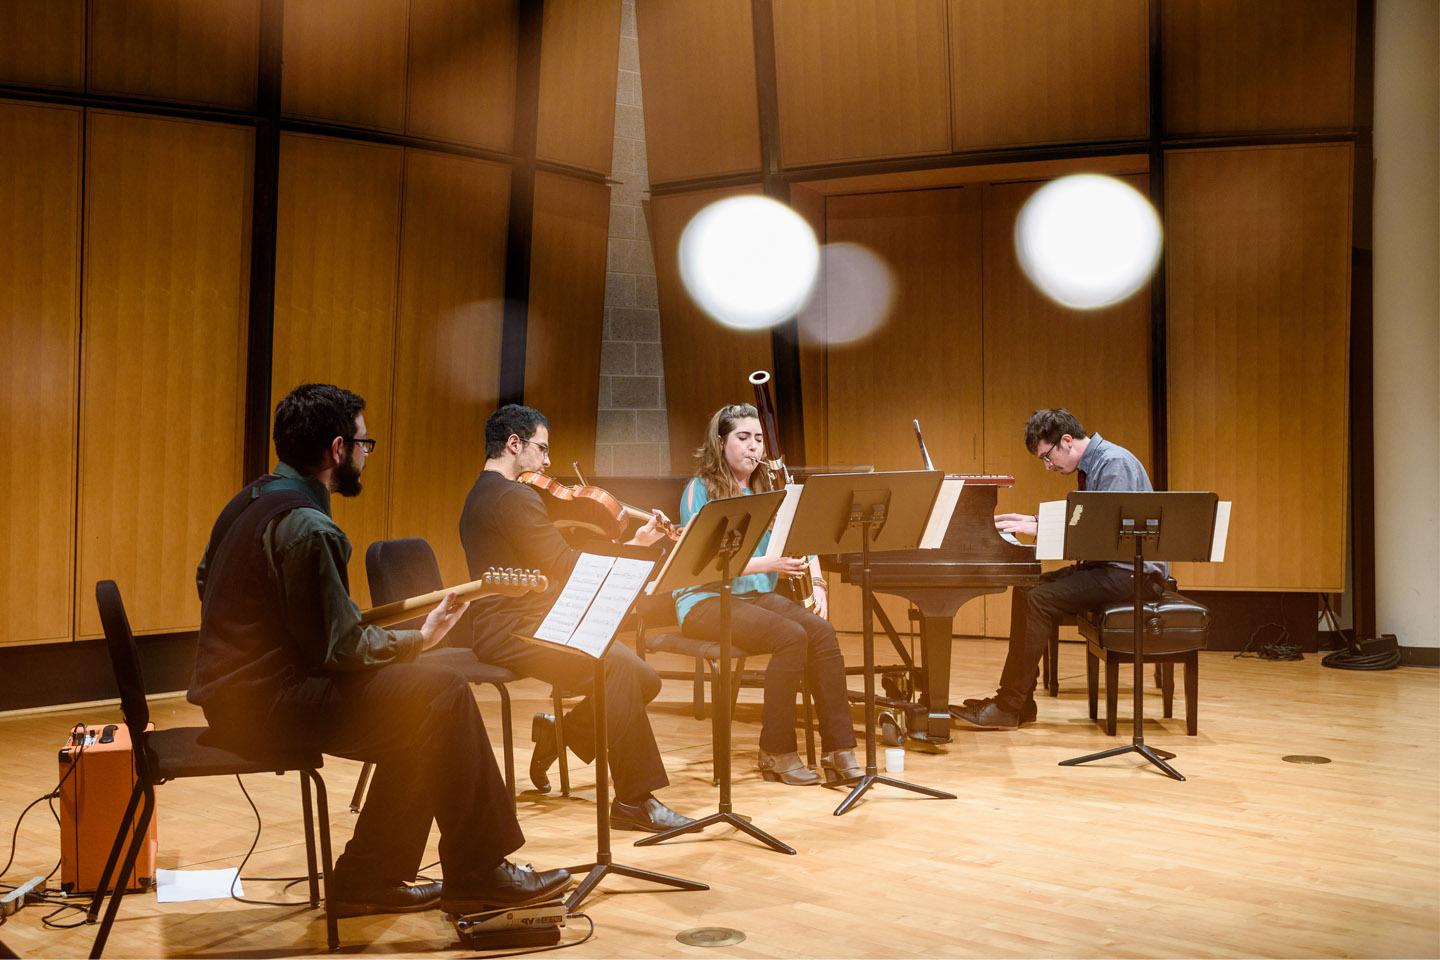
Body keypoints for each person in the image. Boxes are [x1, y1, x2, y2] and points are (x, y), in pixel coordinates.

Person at [189, 384, 569, 918]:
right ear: (338, 450)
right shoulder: (310, 526)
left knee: (421, 710)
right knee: (444, 692)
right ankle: (479, 870)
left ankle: (371, 878)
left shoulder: (249, 500)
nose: (367, 456)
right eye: (365, 445)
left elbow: (208, 581)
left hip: (233, 696)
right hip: (265, 705)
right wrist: (422, 638)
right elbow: (342, 647)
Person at [458, 404, 696, 834]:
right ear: (514, 444)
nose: (548, 463)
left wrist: (630, 544)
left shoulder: (482, 492)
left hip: (527, 618)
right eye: (542, 449)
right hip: (512, 629)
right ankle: (633, 801)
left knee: (645, 678)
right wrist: (637, 550)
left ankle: (560, 735)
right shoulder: (512, 497)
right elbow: (563, 566)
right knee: (617, 668)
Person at [672, 403, 861, 786]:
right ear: (721, 442)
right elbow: (706, 564)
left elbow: (805, 537)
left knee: (821, 633)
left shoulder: (768, 486)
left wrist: (819, 583)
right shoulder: (700, 489)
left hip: (753, 597)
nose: (753, 448)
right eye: (743, 438)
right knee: (790, 637)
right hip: (705, 600)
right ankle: (776, 751)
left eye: (758, 439)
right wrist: (771, 564)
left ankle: (839, 750)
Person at [953, 407, 1169, 731]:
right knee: (1027, 585)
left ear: (1066, 440)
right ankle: (1018, 702)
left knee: (1039, 599)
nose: (1048, 466)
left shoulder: (1114, 464)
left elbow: (1105, 535)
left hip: (1132, 574)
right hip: (1111, 568)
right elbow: (1092, 526)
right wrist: (1034, 521)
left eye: (1047, 456)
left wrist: (1040, 528)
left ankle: (1009, 706)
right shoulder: (1096, 464)